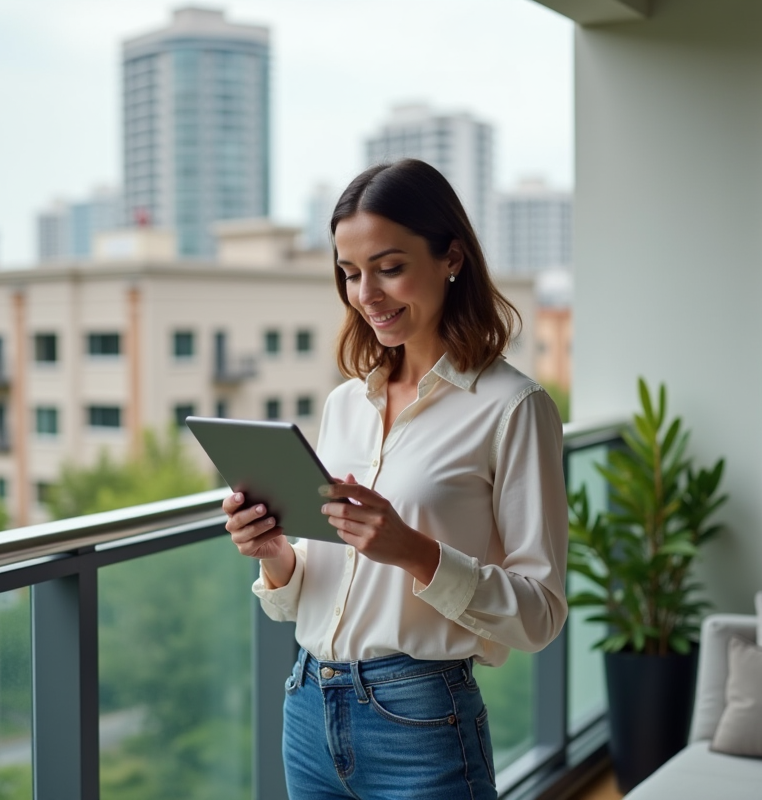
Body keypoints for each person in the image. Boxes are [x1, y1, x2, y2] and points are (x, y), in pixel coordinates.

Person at [223, 158, 568, 800]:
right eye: (350, 274)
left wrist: (412, 550)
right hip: (306, 707)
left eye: (389, 267)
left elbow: (541, 616)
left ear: (452, 257)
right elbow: (324, 586)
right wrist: (276, 558)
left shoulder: (513, 408)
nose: (366, 295)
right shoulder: (343, 405)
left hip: (420, 721)